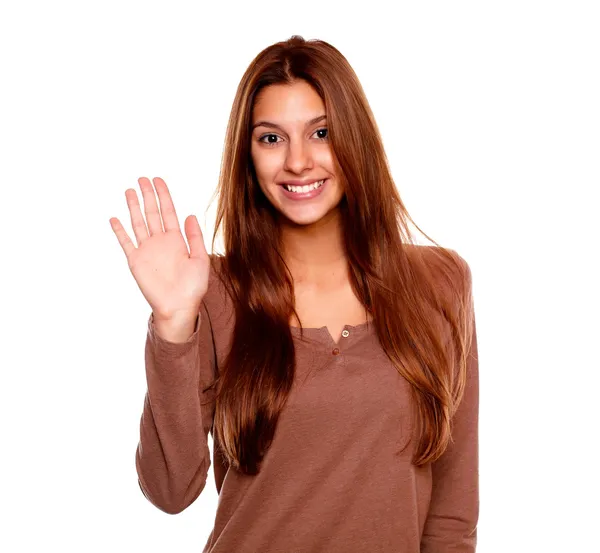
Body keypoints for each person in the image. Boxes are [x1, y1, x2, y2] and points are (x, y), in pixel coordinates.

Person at [110, 35, 479, 553]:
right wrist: (174, 324)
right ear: (247, 155)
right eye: (271, 139)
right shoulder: (216, 293)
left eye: (321, 132)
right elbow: (171, 490)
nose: (298, 162)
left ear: (356, 139)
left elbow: (452, 514)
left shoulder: (439, 283)